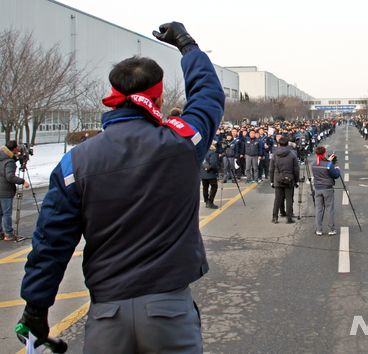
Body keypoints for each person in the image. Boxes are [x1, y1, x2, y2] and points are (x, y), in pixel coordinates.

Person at [17, 22, 224, 353]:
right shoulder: (182, 142)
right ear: (156, 96)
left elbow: (51, 243)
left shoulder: (75, 162)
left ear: (113, 97)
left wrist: (35, 308)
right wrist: (188, 46)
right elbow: (209, 94)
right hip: (169, 311)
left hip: (105, 315)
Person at [0, 141, 30, 241]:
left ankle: (1, 232)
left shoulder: (2, 157)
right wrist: (22, 181)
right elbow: (10, 176)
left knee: (0, 212)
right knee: (6, 213)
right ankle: (8, 233)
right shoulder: (9, 162)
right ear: (13, 149)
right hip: (5, 191)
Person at [311, 146, 341, 236]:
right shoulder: (329, 165)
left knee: (318, 209)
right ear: (324, 153)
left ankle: (318, 229)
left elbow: (321, 164)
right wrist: (337, 169)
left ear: (316, 154)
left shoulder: (313, 164)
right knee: (329, 209)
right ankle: (331, 229)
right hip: (327, 188)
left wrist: (329, 160)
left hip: (317, 188)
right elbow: (335, 175)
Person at [270, 137, 299, 224]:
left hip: (278, 179)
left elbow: (271, 169)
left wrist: (272, 181)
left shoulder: (275, 155)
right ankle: (289, 218)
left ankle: (275, 217)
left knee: (277, 199)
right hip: (289, 178)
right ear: (287, 144)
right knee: (289, 199)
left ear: (279, 144)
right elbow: (296, 169)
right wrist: (296, 180)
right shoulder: (292, 154)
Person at [202, 141, 219, 209]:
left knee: (205, 187)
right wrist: (216, 171)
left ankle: (206, 201)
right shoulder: (212, 153)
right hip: (210, 173)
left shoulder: (203, 152)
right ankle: (210, 201)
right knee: (214, 186)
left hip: (203, 172)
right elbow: (213, 164)